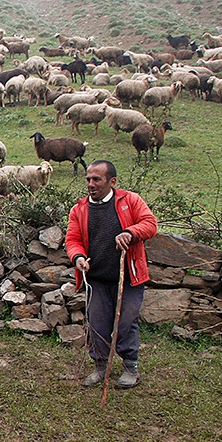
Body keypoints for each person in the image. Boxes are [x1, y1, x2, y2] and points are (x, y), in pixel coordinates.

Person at [65, 159, 158, 389]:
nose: (91, 184)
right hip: (97, 277)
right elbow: (73, 240)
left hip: (129, 276)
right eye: (88, 179)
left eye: (97, 179)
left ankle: (130, 367)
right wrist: (77, 257)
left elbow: (150, 223)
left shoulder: (130, 201)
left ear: (112, 181)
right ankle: (100, 366)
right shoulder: (80, 209)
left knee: (126, 321)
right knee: (97, 323)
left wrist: (130, 232)